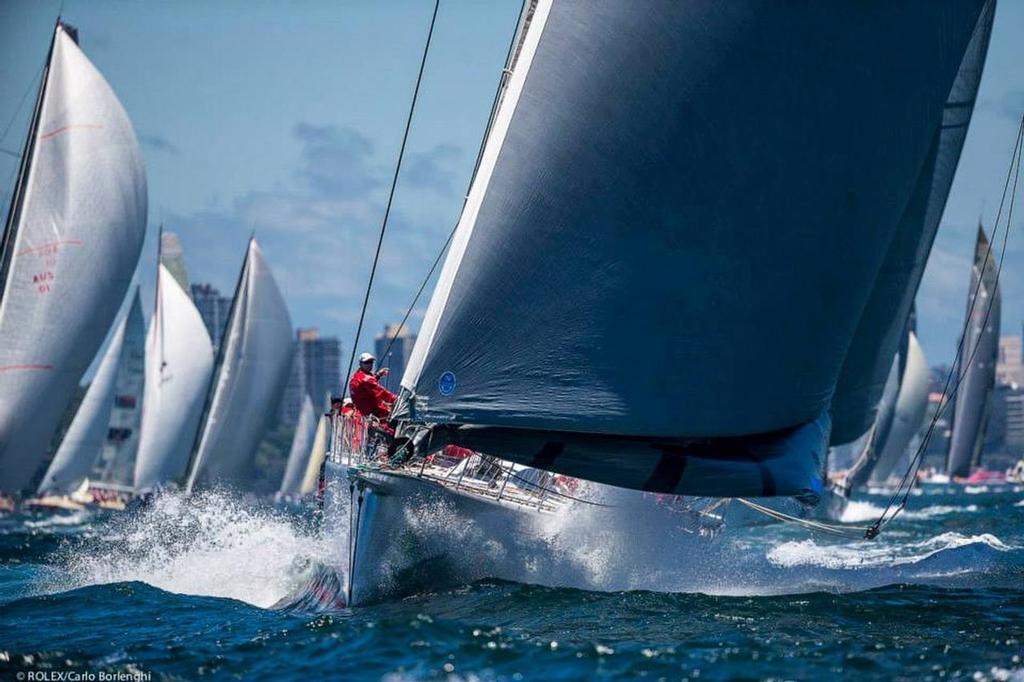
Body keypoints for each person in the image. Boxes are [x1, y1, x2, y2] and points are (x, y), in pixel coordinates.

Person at [349, 352, 396, 420]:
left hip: (361, 413)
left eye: (371, 362)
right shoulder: (365, 379)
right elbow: (381, 392)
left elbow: (367, 386)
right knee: (395, 417)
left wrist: (378, 375)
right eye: (366, 362)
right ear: (360, 364)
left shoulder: (357, 376)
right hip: (370, 414)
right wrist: (397, 400)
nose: (369, 365)